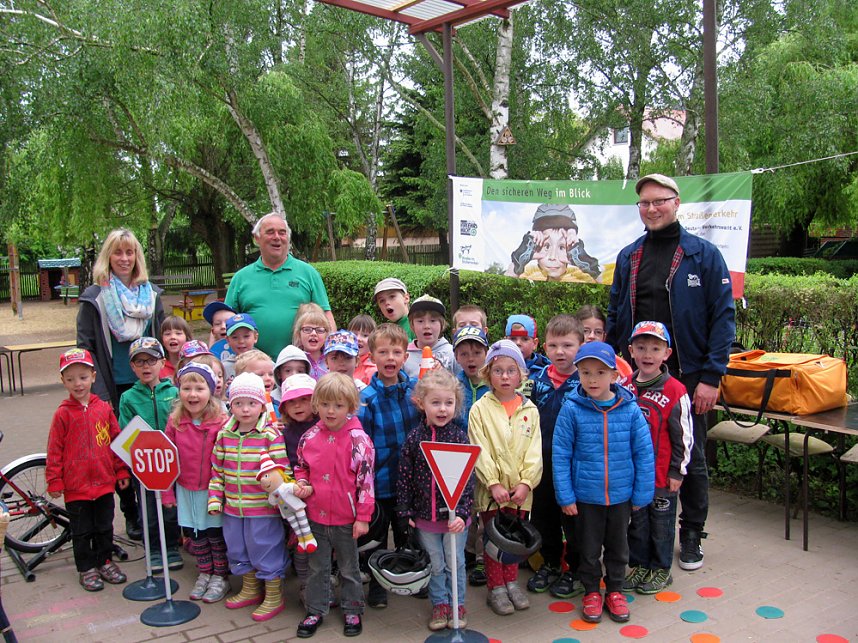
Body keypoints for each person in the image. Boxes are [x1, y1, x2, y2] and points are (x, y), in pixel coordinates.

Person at [607, 173, 735, 571]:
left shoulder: (704, 255)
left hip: (690, 378)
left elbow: (723, 318)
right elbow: (615, 317)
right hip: (636, 379)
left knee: (689, 460)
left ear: (676, 203)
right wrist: (611, 367)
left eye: (659, 201)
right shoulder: (630, 256)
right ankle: (638, 535)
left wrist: (712, 377)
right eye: (644, 203)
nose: (651, 208)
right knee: (637, 454)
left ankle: (692, 532)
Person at [552, 342, 654, 624]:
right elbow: (561, 454)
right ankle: (591, 591)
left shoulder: (630, 410)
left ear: (613, 375)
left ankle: (616, 590)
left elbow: (644, 454)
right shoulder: (571, 409)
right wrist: (566, 496)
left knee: (618, 547)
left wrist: (640, 495)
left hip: (621, 496)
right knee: (588, 547)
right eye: (585, 373)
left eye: (599, 372)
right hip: (586, 496)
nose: (592, 379)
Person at [77, 228, 165, 541]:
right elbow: (85, 346)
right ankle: (132, 514)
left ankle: (160, 513)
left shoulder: (151, 296)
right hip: (112, 389)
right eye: (118, 253)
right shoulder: (94, 298)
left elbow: (163, 338)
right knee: (122, 455)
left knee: (154, 450)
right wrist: (97, 393)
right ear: (108, 257)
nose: (124, 259)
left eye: (130, 253)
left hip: (147, 387)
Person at [294, 373, 375, 638]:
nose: (331, 411)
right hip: (315, 515)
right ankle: (316, 609)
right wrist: (302, 483)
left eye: (338, 405)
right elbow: (301, 467)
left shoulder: (358, 441)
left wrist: (363, 517)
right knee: (318, 567)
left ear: (351, 407)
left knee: (350, 567)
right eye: (326, 404)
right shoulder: (310, 436)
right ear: (316, 403)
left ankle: (353, 608)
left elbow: (366, 482)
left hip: (346, 518)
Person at [397, 368, 475, 631]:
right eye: (436, 402)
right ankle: (440, 605)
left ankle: (457, 604)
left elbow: (467, 482)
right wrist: (405, 509)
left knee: (456, 563)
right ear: (422, 403)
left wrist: (463, 514)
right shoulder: (414, 439)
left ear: (457, 404)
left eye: (449, 403)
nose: (443, 409)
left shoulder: (459, 438)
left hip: (454, 521)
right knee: (436, 564)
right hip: (425, 518)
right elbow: (404, 477)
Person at [468, 340, 542, 616]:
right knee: (493, 542)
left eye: (511, 370)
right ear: (489, 374)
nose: (505, 376)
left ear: (521, 374)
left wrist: (525, 483)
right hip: (492, 494)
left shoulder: (530, 410)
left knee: (515, 540)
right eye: (498, 371)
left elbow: (534, 451)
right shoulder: (480, 410)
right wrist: (493, 483)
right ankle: (495, 588)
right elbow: (479, 449)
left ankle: (511, 582)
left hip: (520, 494)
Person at [208, 372, 290, 622]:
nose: (245, 410)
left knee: (265, 547)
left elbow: (282, 470)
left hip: (263, 508)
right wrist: (215, 498)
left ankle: (274, 593)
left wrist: (281, 496)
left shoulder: (269, 435)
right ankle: (250, 588)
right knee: (237, 547)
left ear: (261, 405)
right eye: (238, 403)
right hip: (233, 507)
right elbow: (217, 469)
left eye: (251, 403)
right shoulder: (224, 434)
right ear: (230, 405)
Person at [47, 348, 130, 591]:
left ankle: (105, 561)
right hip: (76, 487)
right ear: (63, 381)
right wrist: (54, 480)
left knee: (105, 526)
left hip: (104, 482)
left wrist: (121, 471)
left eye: (83, 377)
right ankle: (86, 568)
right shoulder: (62, 414)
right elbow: (54, 449)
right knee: (81, 531)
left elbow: (116, 442)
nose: (78, 384)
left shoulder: (103, 409)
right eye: (70, 379)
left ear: (93, 376)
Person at [620, 322, 693, 594]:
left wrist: (678, 471)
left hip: (662, 476)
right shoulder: (624, 386)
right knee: (637, 524)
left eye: (655, 348)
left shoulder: (676, 391)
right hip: (632, 476)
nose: (647, 354)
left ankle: (661, 569)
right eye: (641, 348)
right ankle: (640, 565)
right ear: (631, 351)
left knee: (661, 526)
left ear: (667, 353)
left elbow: (684, 436)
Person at [357, 324, 421, 608]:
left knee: (409, 531)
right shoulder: (367, 399)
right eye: (383, 352)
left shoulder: (415, 392)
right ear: (372, 356)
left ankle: (412, 575)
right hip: (380, 481)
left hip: (410, 480)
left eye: (396, 351)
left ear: (406, 355)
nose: (390, 357)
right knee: (378, 537)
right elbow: (362, 444)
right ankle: (379, 585)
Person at [527, 315, 584, 599]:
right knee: (543, 516)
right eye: (553, 345)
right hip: (542, 463)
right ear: (545, 348)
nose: (560, 351)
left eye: (567, 345)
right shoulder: (536, 382)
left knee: (573, 520)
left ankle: (575, 569)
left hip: (573, 467)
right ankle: (549, 563)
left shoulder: (586, 383)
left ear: (581, 345)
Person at [162, 363, 229, 603]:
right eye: (186, 388)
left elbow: (227, 459)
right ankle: (205, 571)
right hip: (186, 488)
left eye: (199, 388)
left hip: (212, 491)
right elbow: (167, 460)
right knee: (195, 533)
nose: (192, 394)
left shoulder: (221, 421)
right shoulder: (175, 421)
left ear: (210, 391)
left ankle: (220, 575)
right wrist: (167, 494)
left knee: (214, 533)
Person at [225, 212, 334, 358]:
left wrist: (331, 352)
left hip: (300, 364)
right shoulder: (241, 278)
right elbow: (226, 322)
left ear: (288, 239)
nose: (277, 237)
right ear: (257, 238)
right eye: (270, 232)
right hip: (253, 364)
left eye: (282, 233)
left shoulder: (308, 273)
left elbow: (326, 315)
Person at [118, 337, 181, 572]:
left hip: (171, 463)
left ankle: (172, 546)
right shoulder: (128, 398)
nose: (146, 366)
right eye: (139, 361)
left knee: (170, 508)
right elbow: (127, 432)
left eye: (151, 360)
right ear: (132, 367)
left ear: (162, 362)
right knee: (148, 509)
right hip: (143, 465)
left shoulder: (174, 392)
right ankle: (154, 549)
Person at [451, 326, 489, 588]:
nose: (471, 358)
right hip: (461, 459)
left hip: (487, 458)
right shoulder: (454, 384)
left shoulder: (493, 383)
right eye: (464, 353)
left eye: (477, 352)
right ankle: (467, 551)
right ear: (456, 356)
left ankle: (483, 558)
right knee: (467, 508)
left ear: (486, 352)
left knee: (485, 509)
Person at [278, 373, 319, 600]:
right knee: (301, 544)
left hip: (322, 495)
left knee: (322, 544)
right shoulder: (285, 432)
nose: (298, 406)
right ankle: (305, 585)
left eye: (304, 399)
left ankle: (324, 582)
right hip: (296, 497)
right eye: (292, 402)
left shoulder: (325, 425)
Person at [506, 204, 601, 282]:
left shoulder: (581, 277)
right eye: (546, 246)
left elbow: (611, 286)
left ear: (572, 249)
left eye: (562, 247)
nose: (552, 257)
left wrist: (590, 265)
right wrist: (518, 262)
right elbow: (503, 286)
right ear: (535, 246)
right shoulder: (528, 273)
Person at [403, 295, 458, 378]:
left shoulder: (452, 353)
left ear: (442, 325)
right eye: (420, 321)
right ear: (412, 325)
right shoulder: (405, 355)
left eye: (433, 321)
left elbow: (463, 384)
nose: (427, 326)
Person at [576, 305, 633, 380]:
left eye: (598, 332)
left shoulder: (619, 365)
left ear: (604, 337)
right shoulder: (566, 361)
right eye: (585, 331)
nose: (592, 336)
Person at [505, 314, 550, 381]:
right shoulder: (496, 368)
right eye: (513, 339)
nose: (518, 343)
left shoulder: (545, 373)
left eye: (525, 339)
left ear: (534, 344)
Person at [293, 304, 331, 380]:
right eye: (307, 329)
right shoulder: (294, 360)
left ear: (326, 335)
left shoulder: (332, 359)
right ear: (298, 334)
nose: (313, 333)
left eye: (320, 330)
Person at [223, 313, 260, 385]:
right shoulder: (224, 368)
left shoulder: (265, 363)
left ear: (255, 337)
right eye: (235, 337)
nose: (241, 341)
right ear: (228, 340)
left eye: (246, 336)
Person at [159, 315, 193, 381]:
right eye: (167, 334)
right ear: (162, 340)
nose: (173, 337)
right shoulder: (158, 367)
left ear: (187, 337)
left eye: (178, 333)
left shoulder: (194, 363)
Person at [348, 315, 377, 385]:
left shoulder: (372, 370)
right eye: (354, 334)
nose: (358, 339)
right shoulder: (342, 362)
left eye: (365, 335)